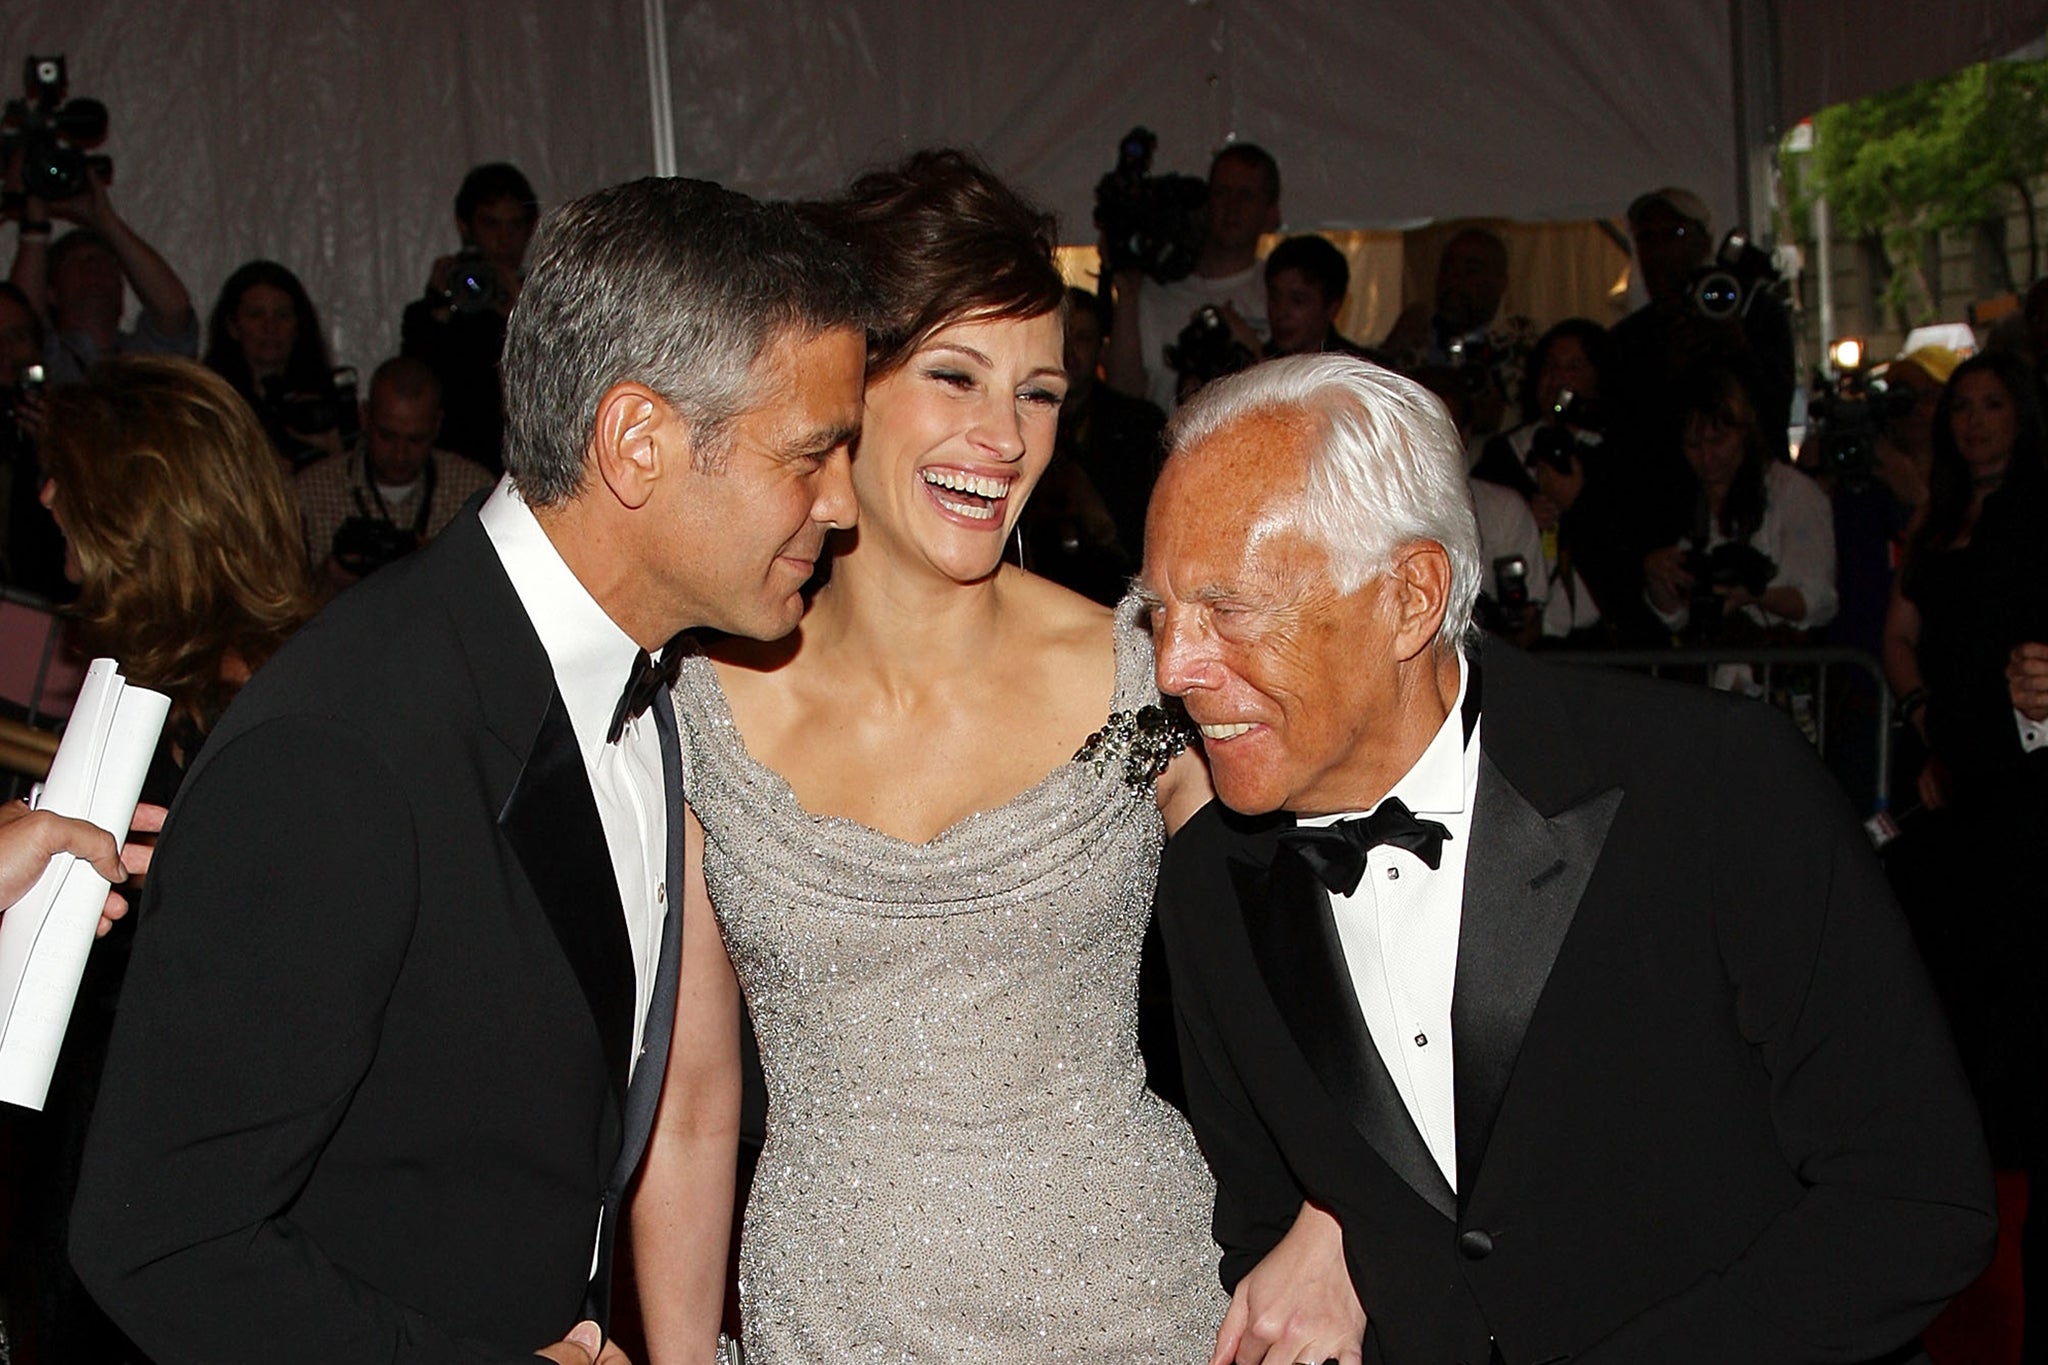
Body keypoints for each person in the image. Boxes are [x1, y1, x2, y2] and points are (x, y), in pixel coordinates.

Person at [68, 176, 873, 1365]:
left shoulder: (639, 678)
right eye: (811, 453)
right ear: (637, 442)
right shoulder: (340, 751)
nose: (842, 503)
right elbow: (157, 1240)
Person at [633, 149, 1355, 1364]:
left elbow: (1350, 951)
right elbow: (695, 1110)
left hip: (1137, 1309)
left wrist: (1342, 1215)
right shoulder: (700, 699)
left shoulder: (1147, 666)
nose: (1003, 437)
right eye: (954, 376)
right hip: (833, 1322)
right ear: (843, 385)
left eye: (1038, 393)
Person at [1142, 352, 1996, 1365]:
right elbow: (1261, 1224)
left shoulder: (1706, 784)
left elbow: (1911, 1198)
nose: (1173, 668)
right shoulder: (1207, 886)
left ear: (1410, 596)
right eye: (1156, 612)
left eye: (1226, 610)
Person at [1642, 366, 1836, 646]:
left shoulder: (1791, 491)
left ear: (1744, 432)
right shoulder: (1680, 500)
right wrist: (1657, 577)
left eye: (1717, 441)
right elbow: (1675, 617)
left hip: (1775, 664)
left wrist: (1751, 595)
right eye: (1694, 445)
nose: (1707, 456)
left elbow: (1817, 602)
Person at [1605, 187, 1795, 461]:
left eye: (1674, 234)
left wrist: (1737, 349)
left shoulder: (1757, 313)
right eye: (1645, 237)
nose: (1657, 251)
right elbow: (1626, 434)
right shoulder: (1628, 338)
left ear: (1704, 243)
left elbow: (1774, 413)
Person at [1106, 143, 1281, 412]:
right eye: (1222, 193)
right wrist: (1127, 296)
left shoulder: (1278, 293)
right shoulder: (1154, 291)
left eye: (1246, 196)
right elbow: (1123, 392)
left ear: (1270, 213)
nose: (1231, 207)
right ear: (1207, 202)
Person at [296, 356, 496, 588]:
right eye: (387, 436)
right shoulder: (310, 494)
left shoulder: (473, 491)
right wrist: (323, 583)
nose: (400, 454)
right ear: (364, 416)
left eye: (416, 440)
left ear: (437, 424)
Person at [401, 163, 541, 472]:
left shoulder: (546, 304)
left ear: (531, 227)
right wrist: (440, 308)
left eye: (514, 226)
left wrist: (522, 311)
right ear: (465, 226)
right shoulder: (431, 312)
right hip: (454, 471)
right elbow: (414, 389)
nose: (504, 239)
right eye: (491, 225)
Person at [8, 168, 199, 383]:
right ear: (51, 292)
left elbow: (175, 310)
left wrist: (105, 219)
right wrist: (35, 225)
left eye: (104, 261)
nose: (93, 268)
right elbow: (18, 318)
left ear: (121, 287)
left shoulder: (145, 360)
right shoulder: (46, 356)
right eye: (77, 263)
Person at [1380, 226, 1535, 440]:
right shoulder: (1414, 339)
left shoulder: (1522, 345)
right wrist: (1388, 351)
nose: (1454, 280)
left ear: (1501, 282)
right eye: (1447, 268)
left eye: (1471, 271)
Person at [203, 259, 353, 468]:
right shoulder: (210, 404)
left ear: (298, 325)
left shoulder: (326, 405)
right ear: (232, 326)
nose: (270, 327)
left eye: (282, 316)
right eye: (256, 315)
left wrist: (335, 451)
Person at [1261, 235, 1377, 359]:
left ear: (1332, 308)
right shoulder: (1251, 363)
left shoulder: (1359, 370)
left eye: (1298, 301)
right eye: (1274, 298)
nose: (1281, 312)